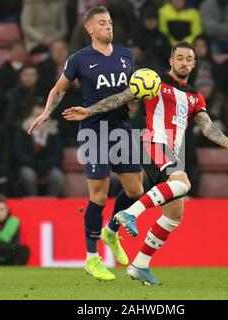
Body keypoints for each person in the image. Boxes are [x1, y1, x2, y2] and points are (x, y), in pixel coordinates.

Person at [62, 41, 228, 285]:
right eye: (178, 57)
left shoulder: (195, 97)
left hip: (173, 153)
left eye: (187, 59)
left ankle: (139, 264)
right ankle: (129, 214)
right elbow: (121, 97)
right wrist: (90, 111)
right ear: (171, 61)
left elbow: (207, 126)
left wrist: (227, 143)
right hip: (154, 144)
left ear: (194, 63)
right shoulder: (154, 81)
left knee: (174, 215)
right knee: (183, 182)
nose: (183, 62)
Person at [28, 6, 145, 281]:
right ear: (90, 29)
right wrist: (47, 112)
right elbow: (59, 90)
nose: (108, 26)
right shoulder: (79, 59)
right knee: (99, 196)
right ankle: (92, 257)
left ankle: (111, 233)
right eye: (102, 23)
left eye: (110, 22)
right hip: (94, 131)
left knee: (135, 190)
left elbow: (132, 91)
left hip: (122, 129)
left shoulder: (126, 55)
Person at [15, 104, 65, 197]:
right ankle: (33, 200)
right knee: (28, 175)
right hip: (29, 166)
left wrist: (45, 164)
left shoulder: (54, 132)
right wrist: (34, 164)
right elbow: (19, 154)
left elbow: (58, 154)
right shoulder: (22, 132)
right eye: (36, 117)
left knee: (57, 176)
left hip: (49, 166)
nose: (39, 121)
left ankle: (51, 200)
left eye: (43, 118)